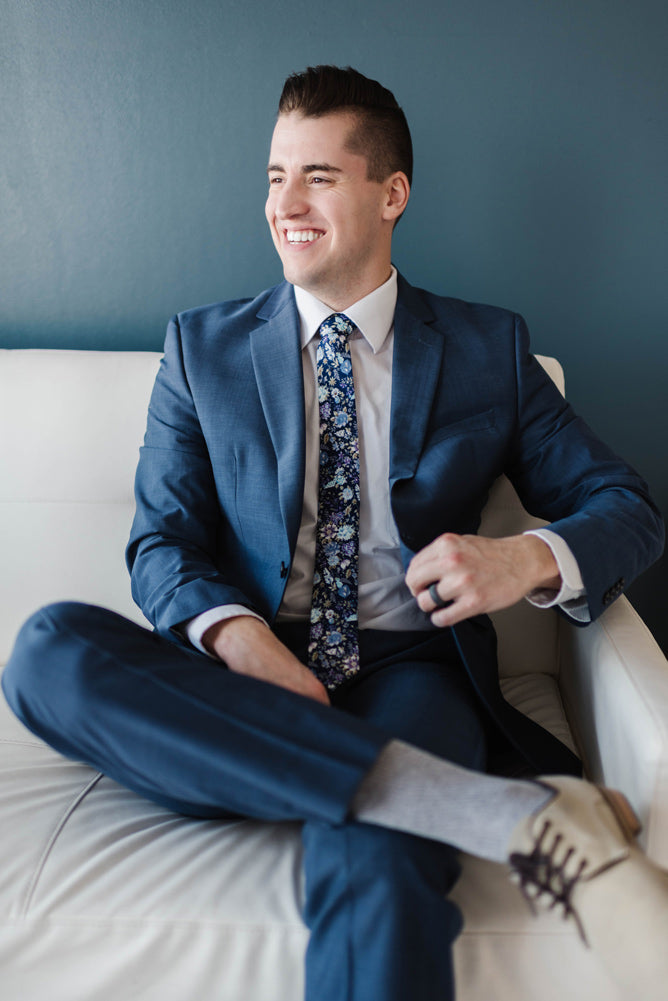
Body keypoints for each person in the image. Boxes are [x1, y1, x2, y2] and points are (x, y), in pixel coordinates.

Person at [3, 65, 667, 1001]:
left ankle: (398, 792)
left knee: (376, 860)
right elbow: (162, 544)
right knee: (45, 652)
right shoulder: (202, 350)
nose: (286, 203)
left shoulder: (491, 350)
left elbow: (628, 506)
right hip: (241, 683)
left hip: (412, 673)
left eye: (317, 175)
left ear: (391, 193)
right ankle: (500, 815)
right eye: (275, 176)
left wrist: (521, 559)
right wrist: (237, 639)